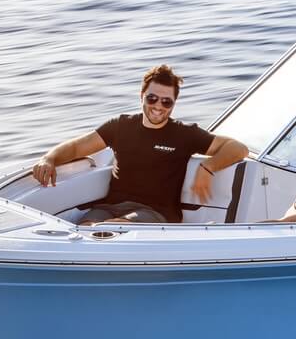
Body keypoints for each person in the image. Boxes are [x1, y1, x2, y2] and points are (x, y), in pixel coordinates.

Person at [31, 64, 248, 223]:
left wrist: (208, 167)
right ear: (142, 96)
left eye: (166, 101)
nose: (158, 106)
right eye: (152, 98)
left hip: (156, 215)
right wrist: (49, 158)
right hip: (109, 208)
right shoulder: (120, 126)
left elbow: (238, 149)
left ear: (173, 104)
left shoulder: (184, 134)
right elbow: (78, 147)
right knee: (85, 229)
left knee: (110, 232)